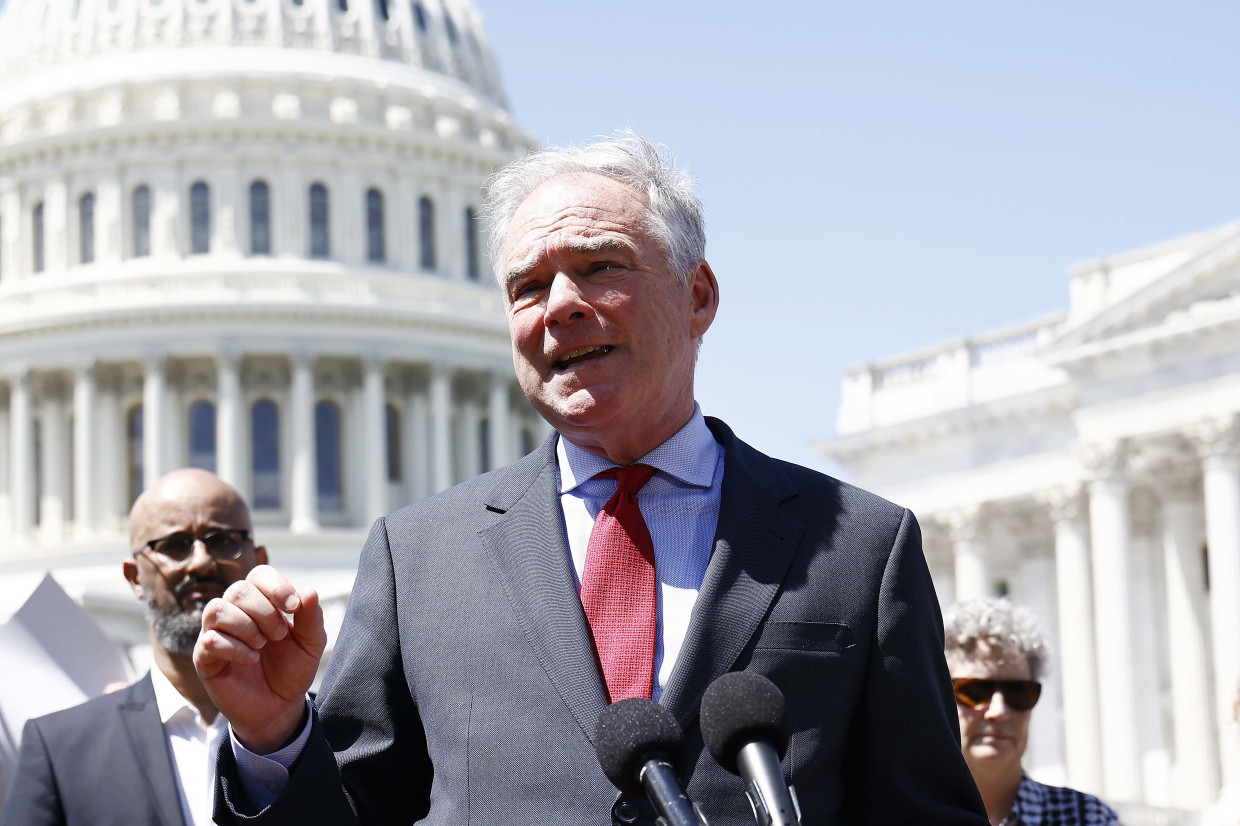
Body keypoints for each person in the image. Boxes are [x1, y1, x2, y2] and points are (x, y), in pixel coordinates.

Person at [198, 132, 988, 825]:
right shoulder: (420, 559)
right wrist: (272, 739)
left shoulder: (859, 546)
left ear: (698, 296)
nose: (561, 307)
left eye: (599, 266)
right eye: (528, 287)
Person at [0, 469, 270, 826]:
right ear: (134, 578)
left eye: (223, 540)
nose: (202, 561)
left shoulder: (325, 732)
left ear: (260, 560)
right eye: (174, 545)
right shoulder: (62, 751)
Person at [945, 598, 1119, 826]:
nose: (999, 711)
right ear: (940, 695)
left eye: (1018, 692)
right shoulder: (903, 816)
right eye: (975, 691)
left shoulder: (1088, 818)